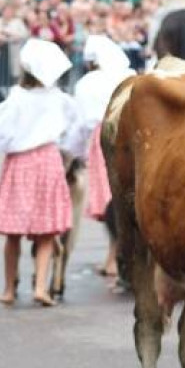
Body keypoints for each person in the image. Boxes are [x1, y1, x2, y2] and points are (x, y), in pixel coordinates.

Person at [0, 39, 80, 308]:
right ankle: (41, 287)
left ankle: (9, 288)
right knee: (46, 232)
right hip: (48, 161)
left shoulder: (18, 98)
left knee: (13, 233)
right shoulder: (59, 99)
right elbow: (75, 126)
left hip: (20, 164)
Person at [73, 34, 135, 281]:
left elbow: (81, 123)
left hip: (103, 138)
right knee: (122, 197)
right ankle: (114, 256)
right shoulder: (127, 76)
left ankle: (114, 258)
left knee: (111, 199)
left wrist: (76, 152)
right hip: (129, 135)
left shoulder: (87, 83)